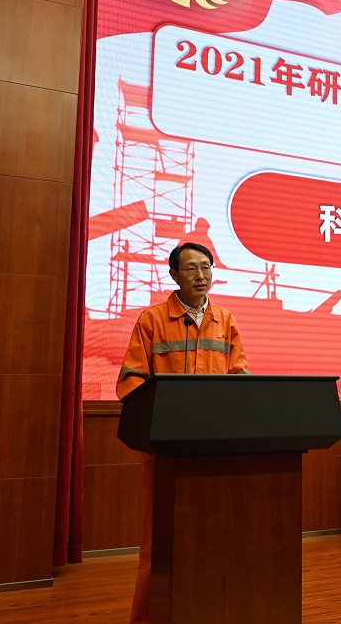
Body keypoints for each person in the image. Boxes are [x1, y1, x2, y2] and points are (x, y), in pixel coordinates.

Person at [116, 241, 249, 624]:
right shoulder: (152, 319)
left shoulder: (225, 319)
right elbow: (130, 381)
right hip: (166, 449)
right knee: (158, 544)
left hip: (215, 449)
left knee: (214, 540)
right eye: (190, 268)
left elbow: (240, 377)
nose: (200, 276)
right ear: (174, 274)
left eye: (206, 267)